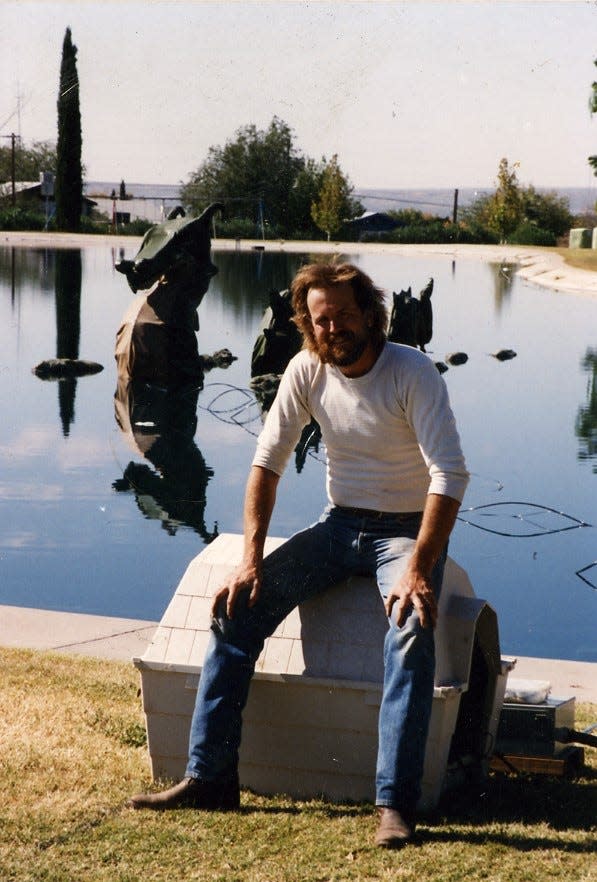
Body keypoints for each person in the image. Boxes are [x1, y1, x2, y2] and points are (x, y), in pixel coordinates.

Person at [129, 262, 469, 848]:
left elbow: (450, 473)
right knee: (236, 607)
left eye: (342, 315)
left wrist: (419, 567)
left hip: (407, 533)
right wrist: (251, 559)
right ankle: (209, 777)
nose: (332, 327)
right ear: (307, 325)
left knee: (412, 623)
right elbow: (266, 464)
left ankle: (395, 804)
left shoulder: (412, 372)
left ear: (369, 314)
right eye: (320, 319)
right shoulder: (306, 369)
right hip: (340, 528)